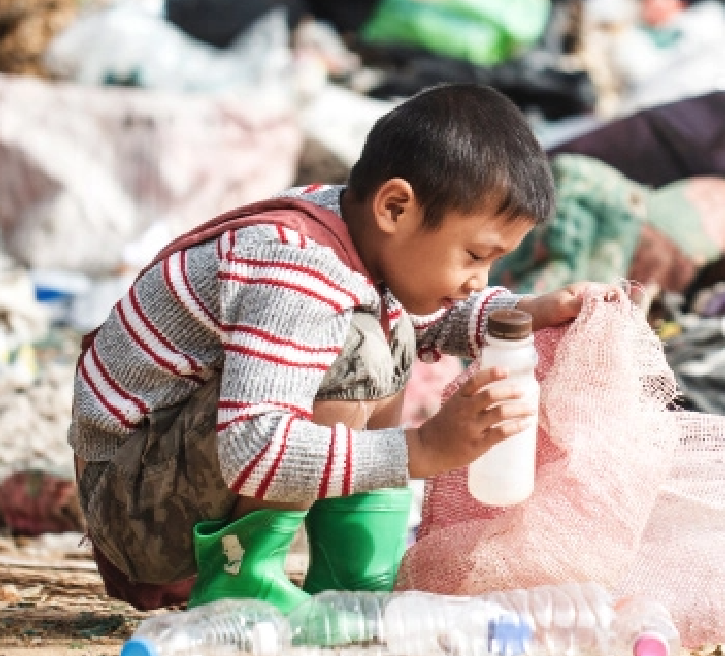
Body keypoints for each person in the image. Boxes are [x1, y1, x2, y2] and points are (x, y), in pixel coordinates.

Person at [69, 84, 620, 612]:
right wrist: (421, 448)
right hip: (136, 509)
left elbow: (424, 318)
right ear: (396, 208)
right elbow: (255, 447)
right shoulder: (299, 269)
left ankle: (357, 574)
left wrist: (525, 313)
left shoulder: (351, 235)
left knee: (386, 330)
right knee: (358, 347)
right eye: (475, 255)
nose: (480, 278)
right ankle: (243, 580)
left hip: (172, 482)